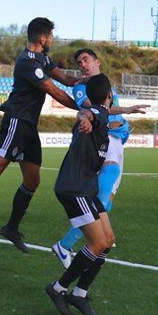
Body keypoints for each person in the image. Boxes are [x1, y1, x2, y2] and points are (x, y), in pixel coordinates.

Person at [0, 19, 148, 252]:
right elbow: (55, 91)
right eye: (50, 36)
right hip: (16, 121)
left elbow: (65, 80)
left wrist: (85, 82)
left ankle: (11, 227)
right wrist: (85, 109)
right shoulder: (27, 62)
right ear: (42, 38)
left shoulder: (44, 59)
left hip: (30, 126)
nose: (51, 40)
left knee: (33, 180)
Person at [44, 74, 115, 315]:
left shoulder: (100, 114)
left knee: (108, 241)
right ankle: (58, 289)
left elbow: (90, 114)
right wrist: (85, 119)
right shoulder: (98, 112)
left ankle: (80, 294)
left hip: (87, 188)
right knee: (97, 244)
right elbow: (87, 114)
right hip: (75, 188)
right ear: (109, 96)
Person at [52, 48, 130, 269]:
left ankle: (99, 237)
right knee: (102, 192)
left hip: (116, 143)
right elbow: (88, 110)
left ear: (98, 62)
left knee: (106, 201)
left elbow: (112, 114)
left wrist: (125, 122)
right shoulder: (81, 88)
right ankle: (67, 244)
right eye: (79, 63)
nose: (82, 65)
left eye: (85, 60)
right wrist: (113, 122)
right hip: (103, 141)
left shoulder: (107, 86)